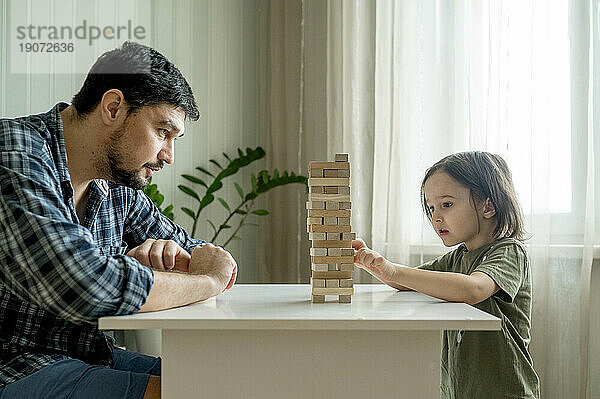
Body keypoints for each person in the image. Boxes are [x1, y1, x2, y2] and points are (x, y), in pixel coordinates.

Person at [0, 42, 237, 399]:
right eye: (163, 132)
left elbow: (203, 255)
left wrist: (177, 262)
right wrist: (208, 279)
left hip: (91, 355)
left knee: (237, 377)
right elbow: (85, 286)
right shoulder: (14, 152)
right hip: (16, 365)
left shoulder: (117, 186)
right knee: (194, 391)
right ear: (113, 108)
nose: (168, 156)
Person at [353, 151, 540, 399]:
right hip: (459, 389)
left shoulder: (509, 252)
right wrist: (373, 263)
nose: (436, 217)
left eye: (447, 204)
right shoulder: (458, 257)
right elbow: (408, 282)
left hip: (504, 391)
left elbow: (473, 290)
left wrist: (393, 270)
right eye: (431, 208)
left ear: (489, 206)